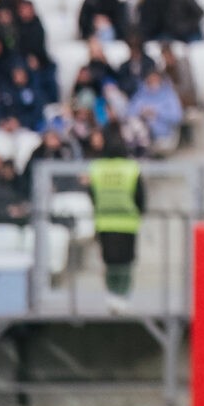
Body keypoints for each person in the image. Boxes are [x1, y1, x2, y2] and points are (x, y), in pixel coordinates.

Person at [87, 129, 144, 309]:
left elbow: (91, 193)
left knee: (109, 260)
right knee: (126, 260)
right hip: (128, 222)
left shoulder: (96, 168)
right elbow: (140, 195)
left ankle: (111, 294)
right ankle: (124, 294)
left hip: (105, 221)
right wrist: (139, 212)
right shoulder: (131, 168)